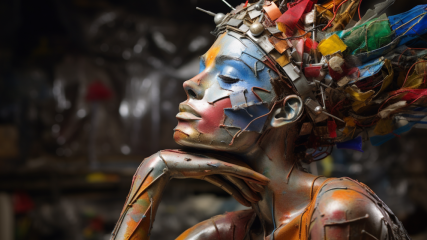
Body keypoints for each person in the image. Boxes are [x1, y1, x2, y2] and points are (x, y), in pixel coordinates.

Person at [112, 0, 426, 239]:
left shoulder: (339, 212)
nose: (191, 83)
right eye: (202, 69)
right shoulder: (229, 231)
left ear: (285, 111)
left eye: (229, 76)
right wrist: (152, 173)